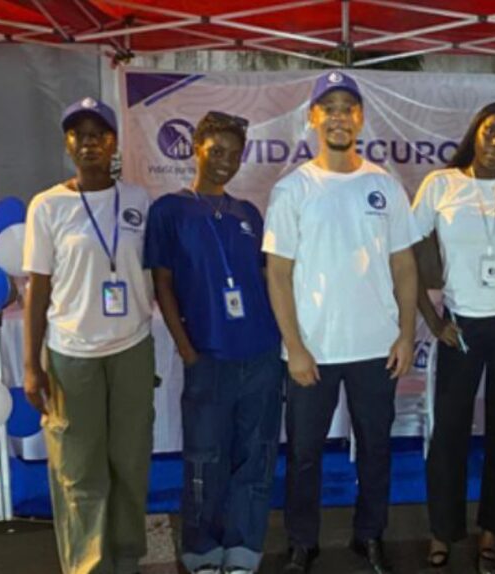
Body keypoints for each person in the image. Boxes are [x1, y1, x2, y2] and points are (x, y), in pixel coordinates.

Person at [263, 71, 421, 574]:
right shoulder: (293, 189)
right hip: (313, 350)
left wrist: (406, 334)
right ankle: (302, 542)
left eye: (346, 108)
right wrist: (295, 345)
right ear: (313, 117)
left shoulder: (384, 186)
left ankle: (369, 535)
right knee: (305, 453)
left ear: (360, 117)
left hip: (377, 347)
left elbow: (404, 266)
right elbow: (278, 273)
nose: (338, 117)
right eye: (327, 107)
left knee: (376, 449)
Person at [145, 111, 282, 574]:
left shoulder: (248, 214)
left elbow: (267, 280)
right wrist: (187, 349)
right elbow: (163, 284)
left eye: (235, 154)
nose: (226, 161)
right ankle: (201, 548)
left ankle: (244, 548)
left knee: (256, 455)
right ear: (195, 149)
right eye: (216, 150)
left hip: (261, 353)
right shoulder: (169, 210)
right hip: (208, 355)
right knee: (205, 457)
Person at [22, 97, 155, 574]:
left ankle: (126, 556)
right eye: (78, 135)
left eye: (98, 134)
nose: (89, 143)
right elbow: (37, 290)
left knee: (130, 461)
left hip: (132, 348)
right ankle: (88, 565)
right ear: (68, 144)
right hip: (72, 354)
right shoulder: (47, 206)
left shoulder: (138, 200)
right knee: (80, 469)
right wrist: (31, 365)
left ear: (113, 142)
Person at [412, 102, 495, 573]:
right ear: (475, 132)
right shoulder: (441, 184)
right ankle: (442, 531)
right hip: (459, 326)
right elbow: (405, 250)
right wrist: (433, 320)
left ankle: (491, 532)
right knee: (448, 432)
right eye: (491, 131)